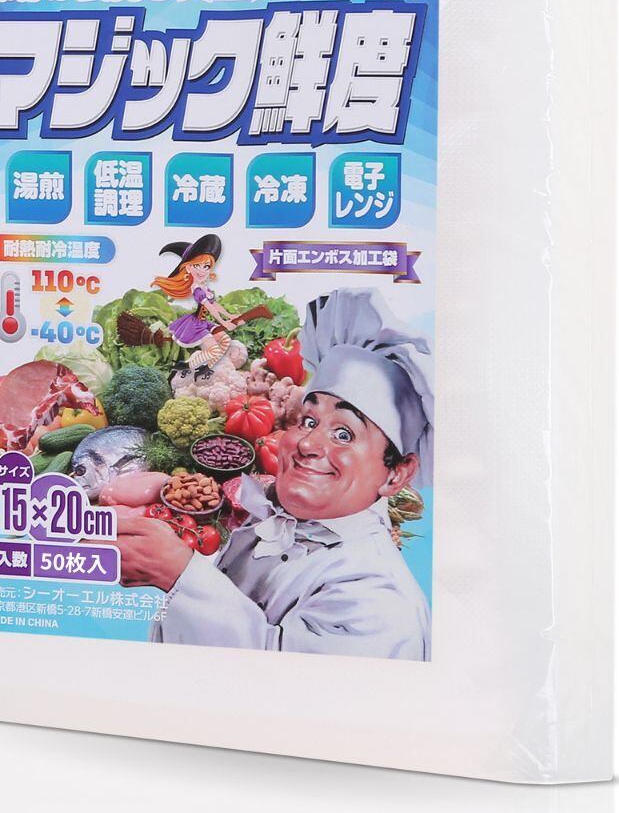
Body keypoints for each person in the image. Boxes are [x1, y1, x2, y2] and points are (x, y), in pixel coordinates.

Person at [115, 288, 434, 660]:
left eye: (344, 434)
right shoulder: (271, 523)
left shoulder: (382, 599)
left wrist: (180, 574)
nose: (307, 444)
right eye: (308, 421)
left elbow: (284, 678)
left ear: (396, 475)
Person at [151, 234, 240, 380]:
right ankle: (185, 365)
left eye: (206, 266)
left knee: (225, 341)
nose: (202, 270)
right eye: (196, 265)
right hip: (196, 325)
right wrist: (223, 322)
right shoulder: (197, 290)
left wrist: (230, 316)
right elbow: (209, 308)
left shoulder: (204, 287)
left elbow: (214, 304)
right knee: (214, 350)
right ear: (188, 267)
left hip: (203, 322)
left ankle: (206, 368)